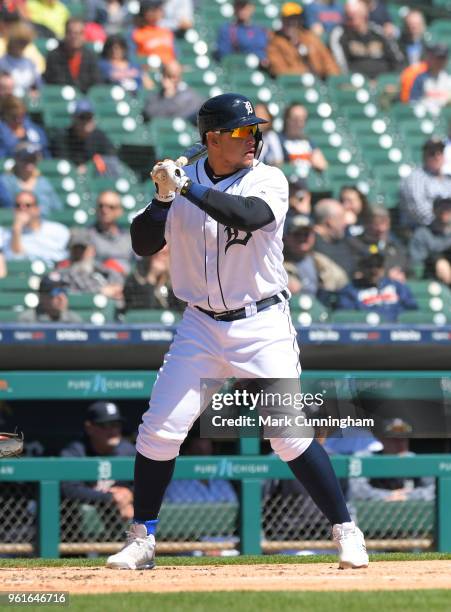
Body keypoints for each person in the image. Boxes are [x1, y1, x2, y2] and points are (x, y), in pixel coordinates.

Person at [106, 92, 369, 570]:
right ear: (211, 140)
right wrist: (163, 197)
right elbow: (144, 244)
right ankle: (142, 537)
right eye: (241, 132)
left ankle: (346, 530)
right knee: (159, 431)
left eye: (255, 130)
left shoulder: (268, 177)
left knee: (288, 434)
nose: (253, 138)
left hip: (261, 321)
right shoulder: (185, 185)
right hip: (200, 325)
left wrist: (185, 189)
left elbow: (247, 215)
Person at [60, 402, 136, 527]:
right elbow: (68, 489)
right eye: (106, 425)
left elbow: (149, 483)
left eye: (117, 424)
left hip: (119, 515)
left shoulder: (129, 451)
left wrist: (129, 493)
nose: (113, 430)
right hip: (76, 521)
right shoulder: (76, 451)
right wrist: (110, 498)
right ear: (89, 427)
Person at [348, 418, 435, 502]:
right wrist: (388, 496)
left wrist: (407, 496)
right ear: (381, 439)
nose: (400, 443)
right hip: (377, 510)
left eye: (403, 439)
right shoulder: (368, 457)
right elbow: (356, 490)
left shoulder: (415, 461)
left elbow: (435, 489)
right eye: (394, 439)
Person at [329, 0, 404, 80]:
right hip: (357, 83)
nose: (352, 21)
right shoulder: (340, 34)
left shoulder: (378, 32)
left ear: (365, 15)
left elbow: (397, 60)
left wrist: (392, 79)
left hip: (385, 83)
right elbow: (341, 66)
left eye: (356, 16)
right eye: (349, 17)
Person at [335, 252, 417, 322]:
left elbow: (411, 309)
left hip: (396, 331)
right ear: (361, 268)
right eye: (370, 266)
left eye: (378, 265)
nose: (374, 270)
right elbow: (347, 316)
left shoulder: (397, 287)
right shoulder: (351, 290)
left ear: (383, 268)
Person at [267, 1, 340, 79]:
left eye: (295, 19)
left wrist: (334, 80)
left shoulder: (310, 38)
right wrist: (306, 72)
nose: (292, 23)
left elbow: (329, 63)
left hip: (320, 83)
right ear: (282, 20)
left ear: (300, 20)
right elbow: (281, 71)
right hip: (296, 86)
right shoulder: (274, 42)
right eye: (288, 19)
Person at [284, 213, 348, 296]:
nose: (302, 238)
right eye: (297, 234)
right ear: (286, 237)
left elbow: (343, 282)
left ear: (313, 236)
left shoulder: (321, 262)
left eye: (306, 234)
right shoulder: (277, 264)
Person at [50, 98, 119, 175]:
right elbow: (60, 165)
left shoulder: (99, 137)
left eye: (89, 117)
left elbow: (111, 162)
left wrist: (90, 169)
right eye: (82, 117)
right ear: (74, 119)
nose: (86, 122)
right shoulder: (62, 137)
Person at [1, 189, 69, 264]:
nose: (22, 209)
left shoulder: (58, 230)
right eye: (18, 205)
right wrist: (17, 230)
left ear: (37, 209)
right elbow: (16, 259)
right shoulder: (5, 235)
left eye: (28, 205)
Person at [56, 227, 124, 299]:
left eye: (82, 249)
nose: (79, 253)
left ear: (92, 250)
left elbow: (118, 281)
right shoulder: (63, 272)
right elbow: (81, 290)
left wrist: (115, 288)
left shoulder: (100, 268)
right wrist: (102, 291)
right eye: (75, 249)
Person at [400, 138, 451, 230]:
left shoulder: (448, 180)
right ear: (424, 155)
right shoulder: (415, 178)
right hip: (421, 230)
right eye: (432, 153)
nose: (437, 156)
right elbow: (418, 211)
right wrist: (442, 223)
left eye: (440, 152)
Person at [0, 141, 62, 216]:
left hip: (43, 224)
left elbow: (57, 207)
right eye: (25, 158)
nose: (29, 162)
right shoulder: (5, 181)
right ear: (16, 159)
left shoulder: (43, 182)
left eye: (33, 158)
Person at [43, 18, 102, 93]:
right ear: (65, 34)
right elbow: (53, 82)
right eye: (71, 33)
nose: (75, 37)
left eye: (79, 33)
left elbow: (96, 84)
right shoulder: (54, 56)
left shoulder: (90, 56)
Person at [353, 206, 410, 282]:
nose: (382, 228)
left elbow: (406, 265)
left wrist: (401, 274)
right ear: (367, 224)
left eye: (385, 223)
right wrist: (386, 275)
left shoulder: (395, 246)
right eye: (376, 224)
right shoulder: (355, 244)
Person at [143, 59, 204, 124]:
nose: (166, 80)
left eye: (171, 76)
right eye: (164, 76)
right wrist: (168, 96)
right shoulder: (156, 96)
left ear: (179, 78)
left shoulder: (189, 95)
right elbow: (149, 112)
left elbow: (185, 116)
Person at [123, 245, 182, 311]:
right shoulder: (134, 279)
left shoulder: (178, 285)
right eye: (156, 252)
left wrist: (165, 279)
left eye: (165, 253)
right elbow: (139, 311)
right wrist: (151, 277)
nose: (160, 256)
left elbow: (179, 312)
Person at [88, 190, 133, 275]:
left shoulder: (129, 238)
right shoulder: (87, 236)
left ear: (119, 211)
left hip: (127, 283)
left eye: (111, 207)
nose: (104, 210)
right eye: (101, 206)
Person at [312, 198, 359, 278]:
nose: (345, 222)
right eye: (341, 218)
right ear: (330, 221)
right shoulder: (310, 244)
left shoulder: (342, 241)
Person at [409, 198, 451, 285]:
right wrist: (437, 260)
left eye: (449, 207)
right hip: (432, 280)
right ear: (433, 210)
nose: (445, 210)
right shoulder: (422, 233)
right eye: (441, 207)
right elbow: (417, 263)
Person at [278, 103, 328, 177]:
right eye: (295, 119)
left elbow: (322, 165)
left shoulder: (308, 141)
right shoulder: (277, 140)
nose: (299, 123)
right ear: (287, 119)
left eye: (303, 119)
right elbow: (277, 165)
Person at [215, 0, 269, 65]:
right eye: (238, 6)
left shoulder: (261, 30)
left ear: (251, 8)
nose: (242, 10)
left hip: (262, 69)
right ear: (234, 8)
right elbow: (224, 55)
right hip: (240, 68)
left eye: (244, 7)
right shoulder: (227, 30)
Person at [0, 20, 42, 97]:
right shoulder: (2, 62)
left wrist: (34, 91)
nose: (22, 46)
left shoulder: (30, 63)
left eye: (24, 43)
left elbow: (38, 85)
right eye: (20, 42)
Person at [407, 44, 451, 116]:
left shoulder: (449, 79)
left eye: (442, 58)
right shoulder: (421, 79)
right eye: (437, 58)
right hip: (426, 118)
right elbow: (414, 103)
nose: (439, 61)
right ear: (430, 58)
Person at [132, 0, 176, 64]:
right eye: (154, 10)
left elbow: (176, 55)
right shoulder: (136, 33)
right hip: (147, 68)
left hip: (169, 68)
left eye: (159, 9)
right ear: (145, 13)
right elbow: (133, 58)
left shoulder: (167, 32)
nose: (158, 12)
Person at [254, 102, 284, 167]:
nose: (259, 118)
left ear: (269, 118)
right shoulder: (248, 136)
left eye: (262, 114)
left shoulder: (272, 137)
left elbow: (279, 160)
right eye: (256, 115)